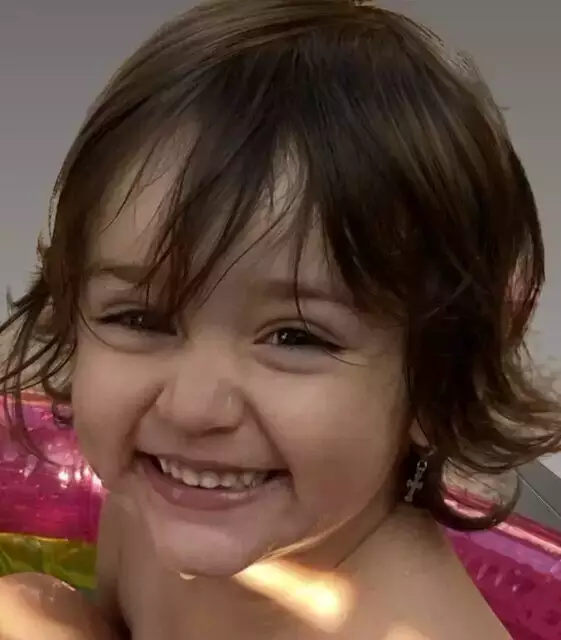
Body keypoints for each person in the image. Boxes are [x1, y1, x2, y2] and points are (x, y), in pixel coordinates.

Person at [1, 0, 560, 638]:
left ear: (439, 380)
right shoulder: (156, 498)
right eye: (141, 319)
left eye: (295, 337)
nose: (191, 409)